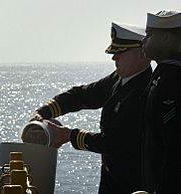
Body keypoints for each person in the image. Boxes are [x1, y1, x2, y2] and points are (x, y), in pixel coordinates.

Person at [22, 22, 152, 194]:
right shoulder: (118, 80)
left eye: (120, 52)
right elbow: (81, 96)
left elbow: (114, 143)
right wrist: (42, 112)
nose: (114, 58)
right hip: (112, 181)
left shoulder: (143, 92)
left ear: (142, 53)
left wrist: (69, 135)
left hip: (134, 183)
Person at [141, 10, 181, 194]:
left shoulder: (172, 79)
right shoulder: (164, 74)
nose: (143, 41)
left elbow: (173, 146)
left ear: (166, 37)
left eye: (149, 35)